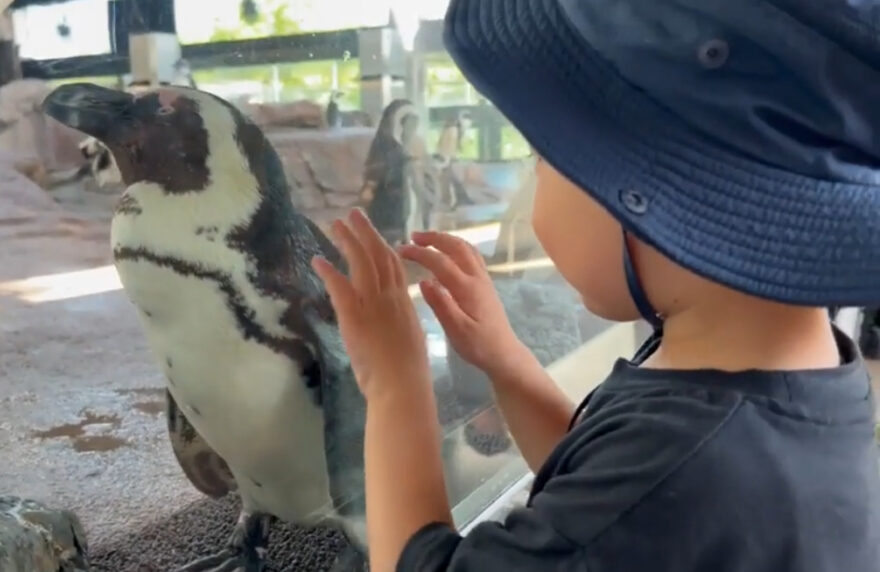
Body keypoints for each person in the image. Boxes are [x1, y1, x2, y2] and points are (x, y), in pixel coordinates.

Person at [310, 0, 880, 571]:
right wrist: (504, 360)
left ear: (648, 197)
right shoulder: (803, 377)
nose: (531, 187)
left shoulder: (688, 470)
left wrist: (393, 385)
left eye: (542, 157)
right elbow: (597, 483)